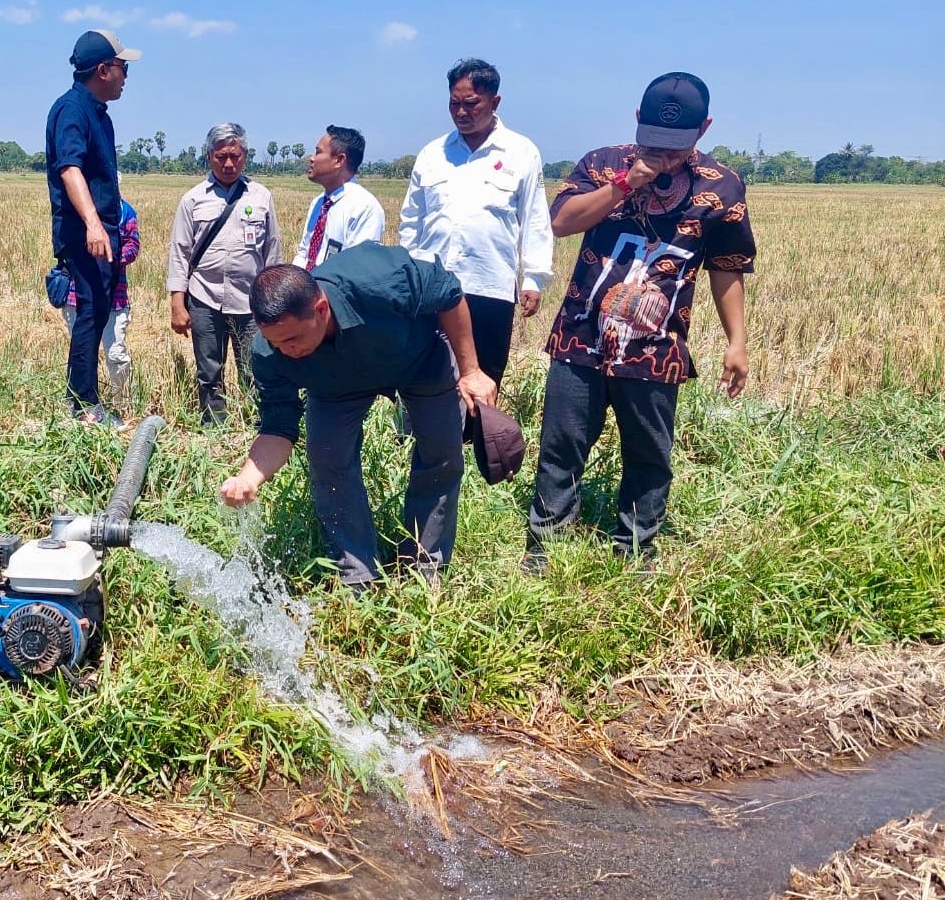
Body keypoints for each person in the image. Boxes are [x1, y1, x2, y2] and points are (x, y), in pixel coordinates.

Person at [525, 72, 755, 570]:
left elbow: (728, 269)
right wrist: (627, 183)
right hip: (581, 335)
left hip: (658, 345)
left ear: (705, 128)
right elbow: (560, 222)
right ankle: (545, 551)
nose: (665, 156)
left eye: (676, 147)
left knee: (649, 454)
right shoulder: (601, 163)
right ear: (637, 121)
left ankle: (635, 551)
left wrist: (737, 341)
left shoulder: (724, 186)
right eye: (654, 142)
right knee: (561, 446)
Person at [219, 244, 497, 587]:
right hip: (336, 388)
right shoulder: (269, 353)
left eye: (292, 339)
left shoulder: (380, 280)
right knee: (328, 460)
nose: (285, 351)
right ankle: (357, 574)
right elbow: (278, 427)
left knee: (441, 455)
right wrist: (248, 478)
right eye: (275, 343)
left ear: (321, 309)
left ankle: (425, 568)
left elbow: (448, 292)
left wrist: (470, 370)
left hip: (420, 359)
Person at [399, 58, 553, 388]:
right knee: (425, 377)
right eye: (454, 103)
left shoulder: (521, 152)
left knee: (483, 379)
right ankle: (428, 440)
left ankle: (482, 440)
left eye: (471, 104)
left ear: (494, 102)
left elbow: (535, 217)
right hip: (432, 286)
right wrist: (409, 273)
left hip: (489, 285)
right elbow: (411, 220)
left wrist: (534, 279)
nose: (461, 112)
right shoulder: (432, 153)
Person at [45, 29, 140, 425]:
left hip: (104, 229)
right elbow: (70, 168)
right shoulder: (72, 110)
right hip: (87, 232)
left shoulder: (99, 115)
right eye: (123, 67)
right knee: (90, 312)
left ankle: (81, 398)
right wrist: (93, 226)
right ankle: (83, 405)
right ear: (103, 70)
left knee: (98, 311)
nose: (126, 75)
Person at [165, 123, 283, 425]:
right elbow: (179, 255)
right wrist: (178, 304)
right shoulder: (193, 199)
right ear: (209, 156)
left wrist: (274, 304)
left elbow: (272, 254)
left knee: (255, 368)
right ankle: (214, 427)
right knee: (209, 370)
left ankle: (259, 428)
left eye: (235, 156)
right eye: (220, 157)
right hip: (205, 298)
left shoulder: (260, 197)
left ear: (245, 155)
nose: (228, 164)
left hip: (251, 302)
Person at [64, 198, 140, 406]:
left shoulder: (126, 212)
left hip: (114, 298)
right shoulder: (72, 211)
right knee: (80, 353)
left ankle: (122, 404)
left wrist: (107, 255)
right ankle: (78, 405)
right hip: (76, 297)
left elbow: (133, 247)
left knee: (116, 354)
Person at [292, 126, 384, 270]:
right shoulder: (319, 203)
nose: (312, 158)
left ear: (339, 160)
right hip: (307, 288)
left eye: (318, 152)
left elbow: (357, 269)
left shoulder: (364, 207)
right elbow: (304, 253)